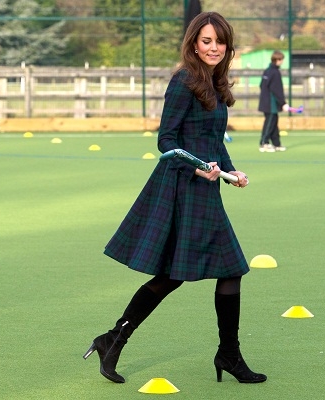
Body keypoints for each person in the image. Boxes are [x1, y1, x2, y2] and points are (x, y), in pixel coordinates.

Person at [83, 11, 266, 385]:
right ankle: (118, 340)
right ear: (194, 44)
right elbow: (166, 140)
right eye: (206, 41)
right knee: (196, 272)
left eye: (220, 41)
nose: (214, 48)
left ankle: (115, 340)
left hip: (206, 190)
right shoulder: (184, 81)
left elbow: (213, 144)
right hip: (182, 188)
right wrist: (198, 168)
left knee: (192, 273)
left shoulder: (215, 83)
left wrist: (232, 173)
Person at [258, 50, 288, 152]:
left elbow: (261, 85)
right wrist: (283, 103)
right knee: (270, 123)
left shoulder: (267, 71)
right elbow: (277, 90)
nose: (282, 62)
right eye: (281, 59)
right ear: (277, 60)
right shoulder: (275, 73)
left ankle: (276, 144)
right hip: (271, 104)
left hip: (266, 102)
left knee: (274, 122)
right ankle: (264, 143)